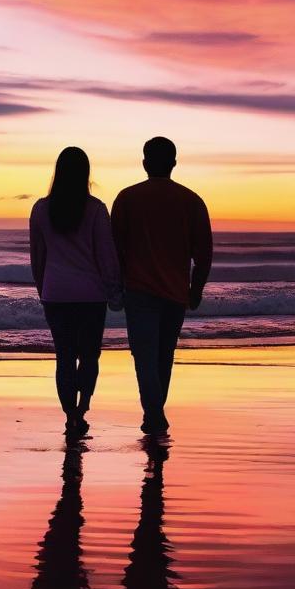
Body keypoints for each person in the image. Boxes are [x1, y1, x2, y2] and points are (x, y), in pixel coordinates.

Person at [111, 136, 213, 435]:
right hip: (175, 292)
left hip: (139, 291)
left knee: (144, 357)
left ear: (144, 163)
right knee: (163, 356)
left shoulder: (127, 198)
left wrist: (114, 289)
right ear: (174, 164)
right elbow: (204, 253)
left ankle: (154, 413)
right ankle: (154, 413)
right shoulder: (191, 200)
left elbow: (114, 251)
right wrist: (196, 289)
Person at [30, 147, 123, 436]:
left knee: (64, 357)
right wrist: (114, 291)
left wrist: (42, 289)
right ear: (85, 173)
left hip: (56, 294)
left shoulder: (41, 209)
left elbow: (38, 257)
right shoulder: (95, 209)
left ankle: (69, 412)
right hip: (91, 296)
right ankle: (82, 407)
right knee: (90, 356)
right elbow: (106, 256)